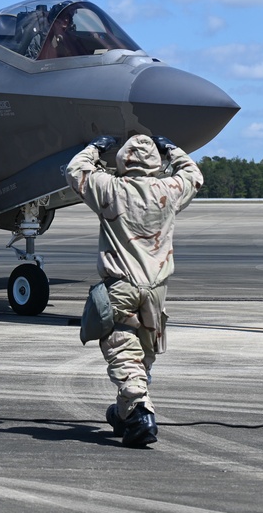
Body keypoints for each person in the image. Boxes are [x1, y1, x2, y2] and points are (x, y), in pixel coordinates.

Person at [65, 133, 203, 447]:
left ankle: (141, 411)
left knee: (123, 353)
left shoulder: (109, 188)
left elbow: (75, 171)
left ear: (123, 160)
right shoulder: (169, 189)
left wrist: (95, 148)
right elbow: (193, 175)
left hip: (121, 286)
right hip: (156, 289)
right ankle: (126, 412)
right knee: (144, 355)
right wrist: (172, 148)